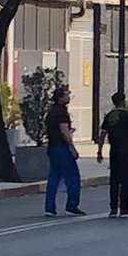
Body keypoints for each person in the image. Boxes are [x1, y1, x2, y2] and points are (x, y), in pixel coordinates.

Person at [95, 91, 128, 218]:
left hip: (114, 151)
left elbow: (102, 135)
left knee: (114, 179)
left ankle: (113, 208)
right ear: (123, 101)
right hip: (126, 150)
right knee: (126, 179)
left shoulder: (109, 116)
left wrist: (99, 151)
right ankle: (124, 207)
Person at [43, 85, 84, 216]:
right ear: (60, 98)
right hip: (61, 147)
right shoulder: (62, 113)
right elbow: (64, 131)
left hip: (52, 147)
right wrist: (72, 147)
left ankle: (49, 207)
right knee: (73, 177)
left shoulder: (51, 112)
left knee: (53, 177)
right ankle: (72, 205)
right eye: (66, 95)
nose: (68, 98)